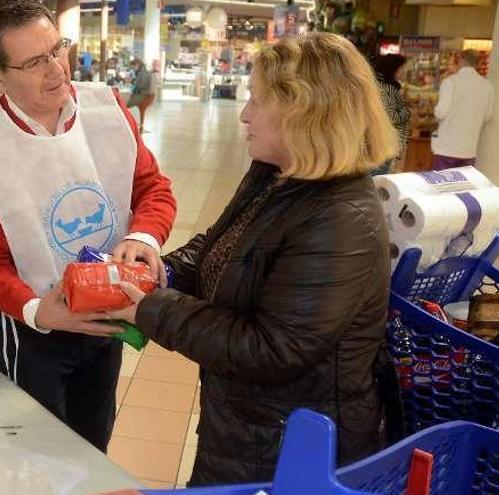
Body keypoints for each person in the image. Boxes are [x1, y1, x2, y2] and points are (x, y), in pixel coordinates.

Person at [108, 32, 398, 485]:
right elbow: (222, 245)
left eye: (257, 102)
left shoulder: (343, 218)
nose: (244, 115)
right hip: (250, 427)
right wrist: (159, 268)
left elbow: (272, 349)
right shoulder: (279, 175)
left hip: (291, 447)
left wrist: (149, 308)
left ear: (304, 113)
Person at [0, 0, 176, 453]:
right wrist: (37, 311)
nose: (56, 70)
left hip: (107, 312)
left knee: (94, 441)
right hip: (34, 325)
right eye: (34, 62)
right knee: (37, 452)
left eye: (58, 50)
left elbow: (153, 188)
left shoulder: (105, 109)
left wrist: (141, 236)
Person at [431, 49, 494, 170]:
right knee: (461, 185)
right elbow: (487, 116)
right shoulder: (487, 86)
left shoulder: (450, 82)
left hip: (447, 147)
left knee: (440, 185)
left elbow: (441, 113)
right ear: (478, 64)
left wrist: (435, 108)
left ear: (461, 60)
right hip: (469, 148)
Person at [370, 54, 410, 175]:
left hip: (374, 141)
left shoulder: (374, 86)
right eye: (403, 68)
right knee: (378, 177)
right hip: (383, 141)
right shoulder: (390, 90)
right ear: (395, 70)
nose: (404, 71)